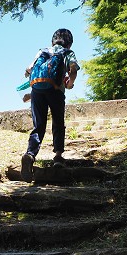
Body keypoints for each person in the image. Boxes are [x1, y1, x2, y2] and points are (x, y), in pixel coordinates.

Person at [21, 28, 80, 181]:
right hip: (56, 91)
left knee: (38, 125)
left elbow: (28, 70)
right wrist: (70, 83)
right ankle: (58, 157)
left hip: (37, 90)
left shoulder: (42, 51)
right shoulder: (67, 52)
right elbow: (73, 69)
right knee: (58, 122)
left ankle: (30, 155)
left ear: (52, 41)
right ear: (69, 43)